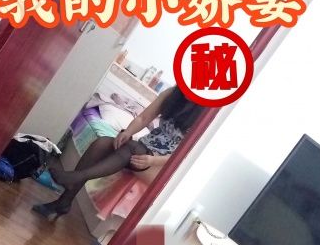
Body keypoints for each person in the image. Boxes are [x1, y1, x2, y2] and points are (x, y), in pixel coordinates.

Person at [32, 86, 203, 220]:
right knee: (103, 143)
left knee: (131, 148)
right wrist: (127, 132)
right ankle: (64, 202)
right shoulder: (173, 93)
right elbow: (143, 118)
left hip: (163, 165)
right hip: (142, 148)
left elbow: (188, 154)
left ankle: (75, 178)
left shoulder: (206, 115)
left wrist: (153, 161)